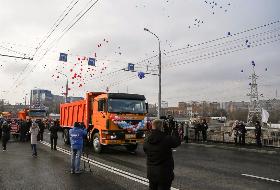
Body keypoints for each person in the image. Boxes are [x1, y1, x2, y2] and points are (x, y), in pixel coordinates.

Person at [143, 119, 181, 190]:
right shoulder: (166, 139)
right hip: (164, 173)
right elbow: (177, 142)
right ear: (162, 127)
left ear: (152, 126)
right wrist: (174, 130)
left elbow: (145, 150)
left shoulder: (146, 139)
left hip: (151, 172)